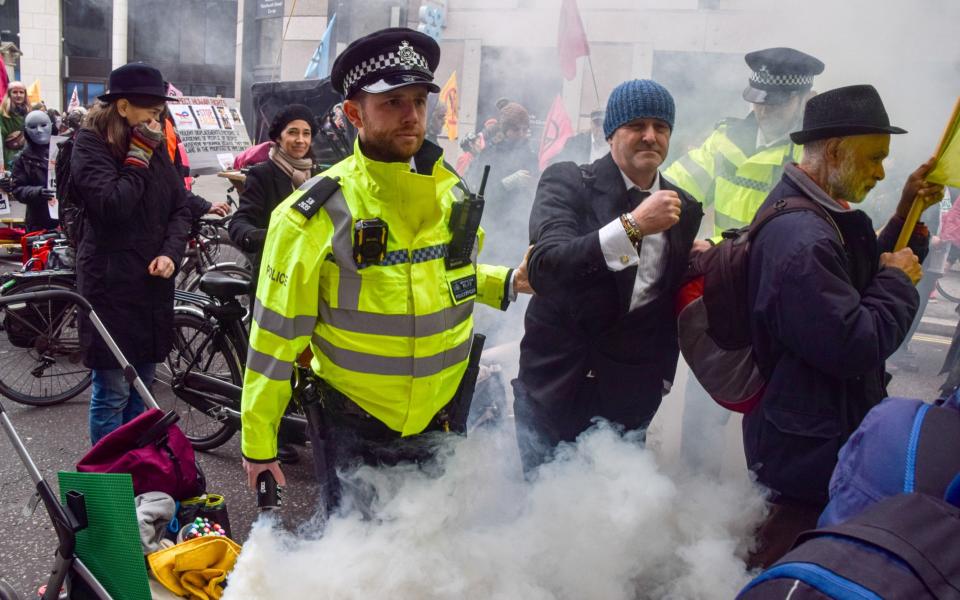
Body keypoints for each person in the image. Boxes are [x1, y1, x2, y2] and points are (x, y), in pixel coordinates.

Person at [239, 28, 531, 511]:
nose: (412, 115)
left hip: (443, 416)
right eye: (392, 102)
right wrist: (258, 443)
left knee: (427, 555)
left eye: (418, 100)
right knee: (356, 569)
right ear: (354, 113)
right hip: (357, 427)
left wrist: (505, 281)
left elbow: (446, 275)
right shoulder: (311, 215)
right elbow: (274, 340)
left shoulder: (449, 190)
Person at [742, 84, 943, 567]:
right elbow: (854, 343)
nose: (880, 172)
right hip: (805, 449)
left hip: (814, 429)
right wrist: (898, 282)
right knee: (786, 559)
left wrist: (903, 214)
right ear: (834, 151)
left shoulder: (815, 215)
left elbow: (853, 276)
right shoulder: (801, 238)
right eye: (874, 158)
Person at [514, 79, 703, 472]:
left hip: (632, 397)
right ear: (611, 132)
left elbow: (663, 303)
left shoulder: (683, 206)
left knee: (613, 521)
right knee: (543, 514)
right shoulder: (568, 181)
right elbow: (547, 267)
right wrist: (633, 227)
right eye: (637, 125)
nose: (650, 136)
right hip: (555, 388)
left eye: (661, 127)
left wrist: (661, 378)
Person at [664, 48, 826, 476]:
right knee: (707, 395)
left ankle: (761, 498)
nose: (759, 108)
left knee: (774, 404)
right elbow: (677, 189)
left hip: (783, 295)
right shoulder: (727, 138)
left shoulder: (815, 151)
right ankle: (691, 488)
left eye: (772, 102)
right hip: (729, 288)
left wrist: (717, 247)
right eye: (755, 98)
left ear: (802, 99)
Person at [70, 63, 192, 444]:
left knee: (142, 392)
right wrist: (138, 153)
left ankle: (138, 474)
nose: (157, 122)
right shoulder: (91, 144)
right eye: (151, 113)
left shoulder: (153, 145)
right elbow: (112, 205)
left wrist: (172, 252)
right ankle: (110, 486)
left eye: (160, 114)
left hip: (152, 289)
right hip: (110, 288)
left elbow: (180, 206)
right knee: (112, 393)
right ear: (122, 107)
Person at [228, 103, 315, 262]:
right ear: (278, 137)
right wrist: (263, 236)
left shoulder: (318, 174)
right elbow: (240, 221)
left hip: (310, 267)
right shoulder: (262, 174)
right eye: (293, 133)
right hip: (274, 266)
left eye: (306, 133)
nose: (300, 140)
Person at [11, 110, 59, 232]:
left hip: (67, 218)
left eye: (43, 125)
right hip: (38, 221)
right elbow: (17, 189)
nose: (39, 130)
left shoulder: (65, 151)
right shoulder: (22, 158)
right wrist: (37, 192)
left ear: (51, 126)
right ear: (26, 130)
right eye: (33, 127)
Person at [0, 81, 30, 171]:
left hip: (27, 154)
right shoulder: (2, 113)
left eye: (21, 92)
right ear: (9, 94)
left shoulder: (29, 112)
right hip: (9, 155)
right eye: (15, 92)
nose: (19, 95)